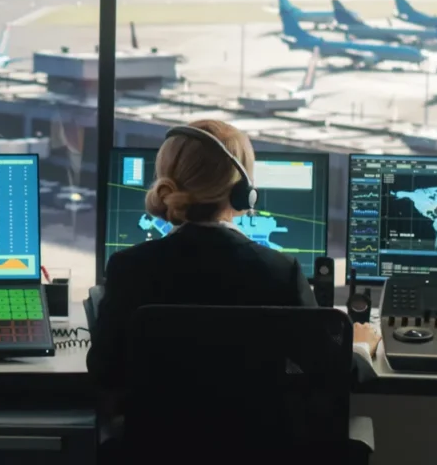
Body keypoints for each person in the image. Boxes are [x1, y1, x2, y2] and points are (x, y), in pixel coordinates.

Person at [87, 119, 379, 394]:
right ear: (243, 192)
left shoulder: (129, 268)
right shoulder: (280, 271)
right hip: (257, 447)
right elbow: (333, 373)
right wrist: (360, 349)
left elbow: (103, 370)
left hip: (156, 445)